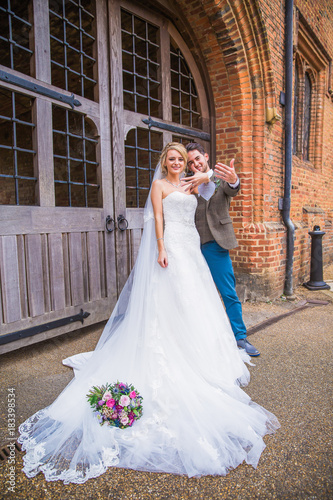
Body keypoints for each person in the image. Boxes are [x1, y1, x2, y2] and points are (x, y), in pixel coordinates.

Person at [18, 143, 279, 484]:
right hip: (171, 246)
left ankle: (215, 349)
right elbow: (158, 216)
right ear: (163, 162)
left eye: (181, 160)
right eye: (171, 158)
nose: (176, 163)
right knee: (172, 302)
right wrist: (160, 247)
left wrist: (217, 173)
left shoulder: (188, 183)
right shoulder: (159, 186)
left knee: (201, 301)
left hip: (193, 251)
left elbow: (215, 179)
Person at [182, 142, 260, 357]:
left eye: (197, 158)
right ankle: (199, 338)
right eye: (190, 162)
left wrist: (234, 179)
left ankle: (240, 337)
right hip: (190, 247)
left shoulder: (220, 178)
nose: (195, 164)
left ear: (206, 156)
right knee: (192, 294)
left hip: (216, 245)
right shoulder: (186, 183)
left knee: (228, 293)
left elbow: (233, 189)